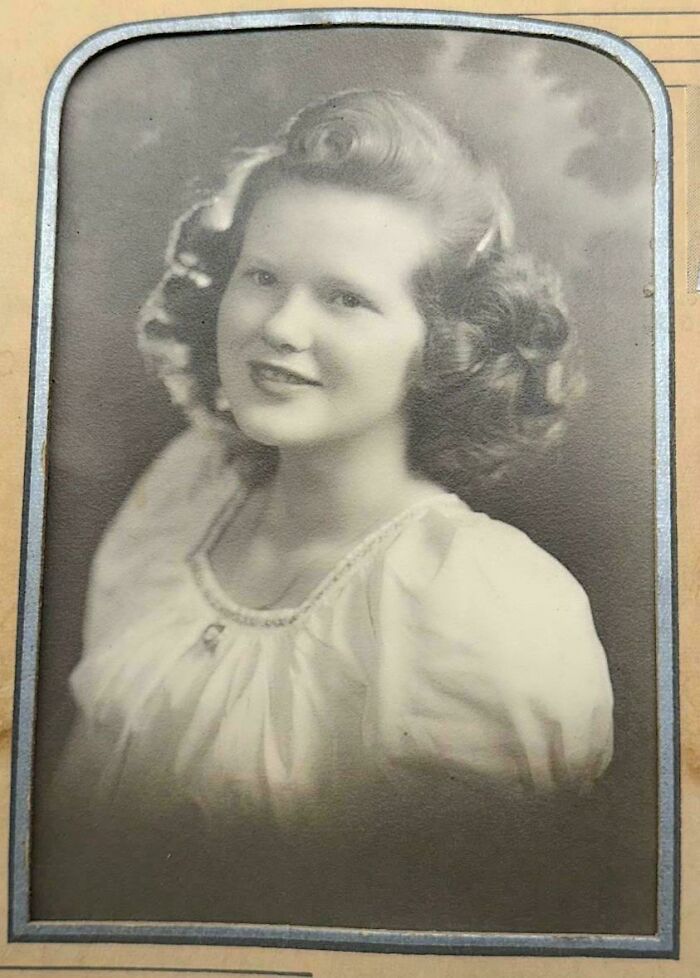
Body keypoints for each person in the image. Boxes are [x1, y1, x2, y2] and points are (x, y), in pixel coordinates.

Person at [52, 89, 614, 929]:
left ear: (445, 344)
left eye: (346, 298)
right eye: (262, 277)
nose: (281, 327)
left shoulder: (479, 610)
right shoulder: (186, 491)